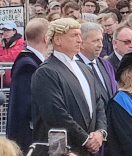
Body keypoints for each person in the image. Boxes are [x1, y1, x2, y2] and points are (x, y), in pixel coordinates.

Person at [30, 18, 108, 156]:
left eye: (80, 35)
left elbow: (99, 103)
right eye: (74, 35)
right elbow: (55, 113)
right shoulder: (46, 72)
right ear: (58, 40)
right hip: (64, 149)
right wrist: (85, 139)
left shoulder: (85, 68)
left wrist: (100, 132)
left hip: (87, 148)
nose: (79, 40)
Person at [7, 17, 48, 151]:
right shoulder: (28, 65)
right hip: (27, 136)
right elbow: (28, 104)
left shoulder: (31, 61)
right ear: (46, 38)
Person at [80, 22, 118, 102]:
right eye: (95, 41)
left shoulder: (105, 65)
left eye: (101, 40)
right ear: (81, 43)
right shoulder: (75, 67)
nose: (100, 45)